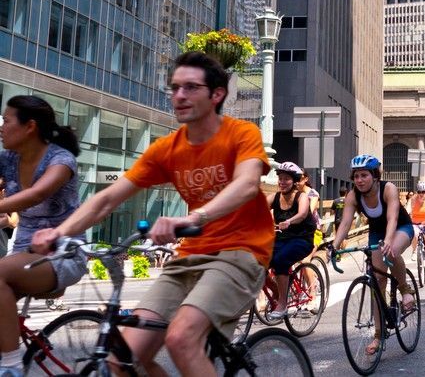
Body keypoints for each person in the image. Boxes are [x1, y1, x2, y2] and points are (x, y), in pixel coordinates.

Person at [32, 51, 274, 376]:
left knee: (181, 338)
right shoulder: (166, 149)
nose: (179, 96)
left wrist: (192, 218)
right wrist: (59, 233)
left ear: (217, 94)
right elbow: (107, 199)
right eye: (174, 88)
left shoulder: (241, 133)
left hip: (240, 253)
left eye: (190, 88)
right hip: (188, 258)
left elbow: (246, 185)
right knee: (123, 359)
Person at [0, 96, 87, 377]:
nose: (1, 126)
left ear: (30, 127)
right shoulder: (8, 159)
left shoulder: (61, 160)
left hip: (61, 253)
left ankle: (11, 365)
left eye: (7, 120)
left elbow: (36, 194)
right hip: (25, 252)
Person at [329, 154, 416, 355]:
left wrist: (388, 240)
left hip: (400, 226)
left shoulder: (388, 189)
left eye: (364, 175)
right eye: (356, 176)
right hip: (376, 232)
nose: (359, 180)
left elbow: (392, 218)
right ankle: (379, 335)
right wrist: (334, 245)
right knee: (378, 281)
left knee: (391, 249)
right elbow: (345, 223)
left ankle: (404, 289)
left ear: (375, 175)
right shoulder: (353, 196)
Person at [267, 162, 316, 318]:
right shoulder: (274, 197)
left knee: (280, 260)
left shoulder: (302, 197)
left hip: (302, 239)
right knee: (257, 260)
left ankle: (282, 304)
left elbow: (302, 214)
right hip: (281, 238)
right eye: (280, 178)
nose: (282, 182)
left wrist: (289, 221)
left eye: (286, 179)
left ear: (294, 181)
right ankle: (276, 290)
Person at [409, 181, 425, 278]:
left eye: (423, 192)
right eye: (419, 192)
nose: (421, 194)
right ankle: (415, 250)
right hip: (415, 223)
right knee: (414, 233)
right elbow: (408, 210)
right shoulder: (412, 199)